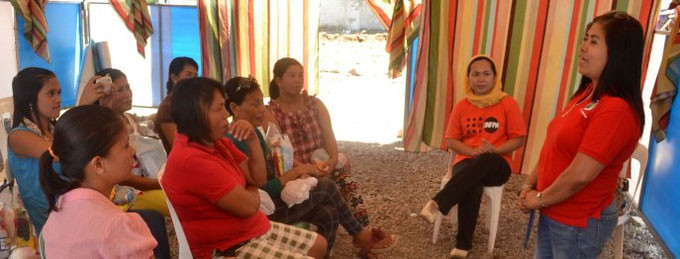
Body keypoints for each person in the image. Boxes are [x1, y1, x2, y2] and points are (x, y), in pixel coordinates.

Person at [224, 76, 398, 257]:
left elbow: (326, 138)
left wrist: (311, 168)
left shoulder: (258, 131)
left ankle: (336, 247)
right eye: (254, 104)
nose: (261, 110)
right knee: (327, 187)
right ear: (234, 108)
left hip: (280, 195)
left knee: (329, 213)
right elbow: (263, 189)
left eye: (262, 102)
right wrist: (298, 171)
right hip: (264, 211)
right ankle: (360, 234)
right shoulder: (237, 140)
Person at [518, 11, 645, 259]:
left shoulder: (616, 109)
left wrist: (539, 199)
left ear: (618, 53)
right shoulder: (587, 92)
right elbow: (552, 145)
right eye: (586, 38)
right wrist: (528, 185)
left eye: (593, 41)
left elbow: (580, 175)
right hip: (554, 209)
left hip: (577, 221)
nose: (583, 47)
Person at [161, 77, 327, 259]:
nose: (226, 114)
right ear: (195, 114)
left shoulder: (216, 141)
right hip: (228, 247)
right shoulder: (191, 159)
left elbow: (258, 179)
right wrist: (251, 188)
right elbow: (249, 206)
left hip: (249, 229)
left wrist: (253, 140)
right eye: (219, 109)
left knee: (319, 245)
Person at [419, 55, 527, 258]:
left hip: (497, 162)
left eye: (486, 74)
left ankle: (439, 203)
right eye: (475, 74)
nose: (481, 79)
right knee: (472, 183)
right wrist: (471, 152)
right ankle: (462, 245)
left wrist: (494, 150)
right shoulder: (462, 105)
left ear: (495, 77)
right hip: (467, 161)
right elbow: (451, 141)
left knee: (485, 160)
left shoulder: (507, 103)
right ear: (468, 77)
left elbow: (518, 139)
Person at [39, 105, 157, 258]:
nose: (133, 151)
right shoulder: (117, 226)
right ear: (99, 164)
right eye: (126, 145)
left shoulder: (59, 210)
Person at [267, 58, 370, 227]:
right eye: (292, 76)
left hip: (321, 163)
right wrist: (307, 169)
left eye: (300, 75)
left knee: (347, 183)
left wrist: (332, 160)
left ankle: (365, 230)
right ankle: (356, 234)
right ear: (278, 80)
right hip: (295, 171)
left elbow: (329, 136)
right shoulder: (271, 112)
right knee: (324, 189)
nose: (298, 80)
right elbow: (279, 153)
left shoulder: (315, 104)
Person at [8, 67, 105, 233]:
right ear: (30, 99)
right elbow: (59, 152)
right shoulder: (18, 136)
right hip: (53, 224)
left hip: (77, 209)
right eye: (51, 93)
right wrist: (81, 107)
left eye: (59, 93)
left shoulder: (53, 130)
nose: (58, 99)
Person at [94, 68, 171, 258]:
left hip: (153, 181)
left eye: (127, 87)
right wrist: (160, 184)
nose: (128, 94)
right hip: (127, 191)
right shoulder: (102, 127)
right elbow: (124, 179)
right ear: (103, 96)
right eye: (119, 90)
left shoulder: (131, 119)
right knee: (173, 203)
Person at [154, 57, 198, 152]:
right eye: (189, 75)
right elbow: (177, 147)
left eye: (195, 76)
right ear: (174, 77)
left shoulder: (193, 103)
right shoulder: (167, 107)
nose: (194, 80)